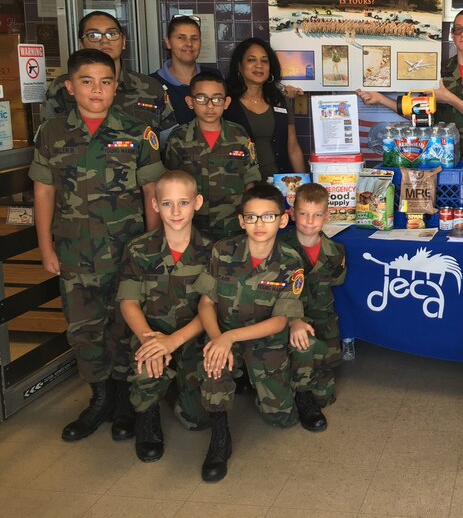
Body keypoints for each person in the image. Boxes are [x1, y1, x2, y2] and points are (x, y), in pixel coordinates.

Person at [29, 48, 165, 442]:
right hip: (74, 253)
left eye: (105, 82)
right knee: (85, 329)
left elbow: (150, 191)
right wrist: (45, 248)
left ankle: (125, 403)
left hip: (127, 252)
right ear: (70, 87)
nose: (97, 90)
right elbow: (43, 192)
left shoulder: (137, 130)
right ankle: (99, 399)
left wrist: (151, 248)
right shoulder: (53, 132)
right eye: (87, 82)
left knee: (125, 327)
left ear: (115, 87)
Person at [194, 182, 320, 482]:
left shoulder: (290, 260)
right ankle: (220, 436)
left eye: (268, 216)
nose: (259, 224)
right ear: (241, 220)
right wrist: (217, 340)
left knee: (280, 419)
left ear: (283, 219)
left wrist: (229, 338)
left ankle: (262, 384)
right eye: (251, 217)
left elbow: (279, 322)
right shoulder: (222, 250)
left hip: (265, 341)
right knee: (209, 376)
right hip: (222, 334)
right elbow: (205, 303)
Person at [117, 170, 213, 462]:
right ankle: (147, 415)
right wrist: (150, 341)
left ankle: (172, 387)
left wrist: (173, 342)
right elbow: (128, 301)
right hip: (151, 334)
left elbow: (211, 307)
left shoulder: (213, 252)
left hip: (192, 339)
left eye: (183, 203)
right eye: (167, 203)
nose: (175, 211)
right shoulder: (138, 249)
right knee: (147, 366)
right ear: (155, 205)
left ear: (197, 203)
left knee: (197, 419)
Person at [357, 10, 463, 164]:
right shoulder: (436, 71)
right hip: (437, 159)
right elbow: (418, 113)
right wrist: (381, 99)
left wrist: (449, 98)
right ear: (452, 35)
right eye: (458, 29)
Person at [44, 11, 176, 137]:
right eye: (94, 35)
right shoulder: (62, 87)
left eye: (112, 34)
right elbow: (48, 137)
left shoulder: (150, 87)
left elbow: (168, 141)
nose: (105, 41)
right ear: (81, 43)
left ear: (123, 42)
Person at [164, 71, 261, 240]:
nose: (210, 106)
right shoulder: (179, 137)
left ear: (226, 102)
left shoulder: (239, 134)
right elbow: (168, 183)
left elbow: (250, 181)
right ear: (190, 102)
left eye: (217, 99)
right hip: (190, 228)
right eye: (201, 98)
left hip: (233, 227)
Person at [281, 183, 347, 408]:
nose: (310, 221)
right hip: (287, 321)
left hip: (323, 323)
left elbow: (338, 279)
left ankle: (309, 389)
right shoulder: (279, 249)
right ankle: (299, 393)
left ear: (326, 216)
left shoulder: (335, 252)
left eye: (317, 215)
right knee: (287, 392)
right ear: (291, 214)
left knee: (325, 397)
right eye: (303, 214)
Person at [224, 37, 306, 178]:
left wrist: (304, 184)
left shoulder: (280, 101)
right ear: (239, 66)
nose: (259, 65)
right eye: (251, 60)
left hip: (281, 184)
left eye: (264, 61)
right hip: (242, 187)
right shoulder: (227, 103)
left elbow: (293, 148)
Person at [151, 15, 222, 131]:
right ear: (168, 42)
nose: (189, 43)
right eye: (181, 38)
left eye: (194, 38)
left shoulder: (215, 77)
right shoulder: (152, 84)